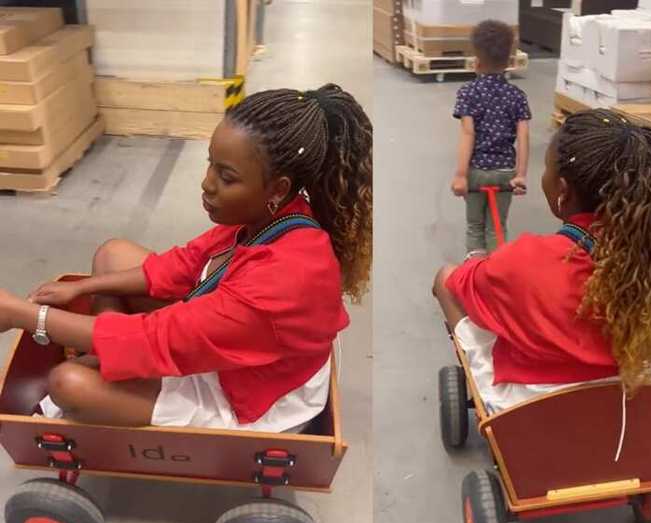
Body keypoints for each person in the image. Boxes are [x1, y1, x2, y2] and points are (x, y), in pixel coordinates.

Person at [0, 84, 373, 431]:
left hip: (251, 393)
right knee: (113, 255)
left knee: (68, 383)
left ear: (278, 188)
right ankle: (109, 354)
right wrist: (85, 286)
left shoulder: (285, 278)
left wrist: (26, 315)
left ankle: (107, 361)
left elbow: (159, 337)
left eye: (226, 177)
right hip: (230, 343)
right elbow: (184, 264)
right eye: (211, 164)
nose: (207, 183)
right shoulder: (270, 214)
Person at [433, 108, 651, 414]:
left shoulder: (524, 260)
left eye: (546, 167)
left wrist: (481, 263)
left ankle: (482, 393)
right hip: (627, 402)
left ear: (563, 192)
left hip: (534, 411)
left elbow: (464, 282)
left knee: (445, 278)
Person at [450, 19, 531, 257]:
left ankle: (474, 278)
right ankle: (497, 276)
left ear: (476, 62)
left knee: (475, 227)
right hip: (505, 172)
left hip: (476, 172)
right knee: (497, 227)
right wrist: (521, 175)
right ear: (510, 62)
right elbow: (523, 135)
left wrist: (461, 175)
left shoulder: (468, 93)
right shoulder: (517, 95)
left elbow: (468, 133)